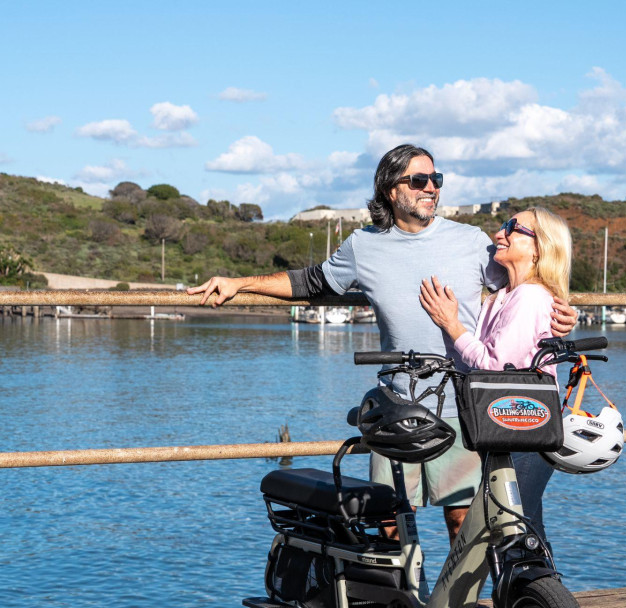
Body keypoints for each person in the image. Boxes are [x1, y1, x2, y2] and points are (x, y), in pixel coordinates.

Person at [186, 144, 577, 543]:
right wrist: (239, 283)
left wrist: (564, 315)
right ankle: (408, 604)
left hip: (463, 405)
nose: (431, 189)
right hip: (397, 406)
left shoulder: (473, 242)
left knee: (465, 523)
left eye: (436, 180)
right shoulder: (363, 246)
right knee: (391, 523)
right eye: (419, 180)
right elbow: (312, 282)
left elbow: (528, 283)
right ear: (392, 190)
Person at [418, 206, 571, 535]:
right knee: (523, 529)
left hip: (523, 428)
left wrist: (451, 325)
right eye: (504, 225)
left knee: (515, 531)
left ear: (538, 248)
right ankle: (534, 588)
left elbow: (496, 368)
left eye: (513, 228)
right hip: (510, 425)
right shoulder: (503, 296)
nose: (499, 234)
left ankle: (539, 588)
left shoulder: (530, 297)